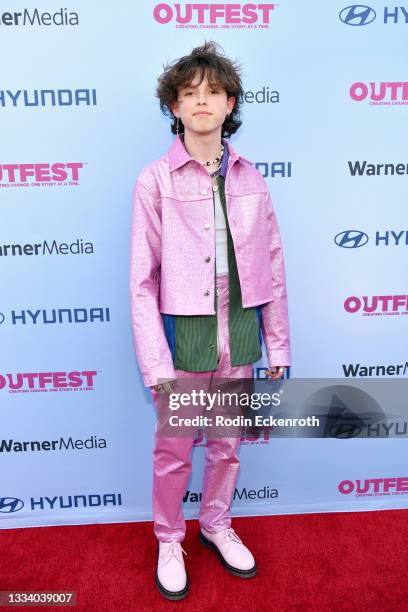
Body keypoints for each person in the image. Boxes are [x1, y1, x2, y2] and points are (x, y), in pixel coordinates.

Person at [129, 41, 291, 601]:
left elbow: (272, 266)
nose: (202, 101)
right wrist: (155, 362)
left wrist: (279, 348)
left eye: (213, 92)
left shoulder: (253, 180)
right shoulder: (156, 181)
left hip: (238, 336)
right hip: (183, 342)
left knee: (227, 445)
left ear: (230, 104)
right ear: (174, 107)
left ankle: (216, 525)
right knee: (175, 449)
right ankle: (169, 538)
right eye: (190, 93)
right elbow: (141, 281)